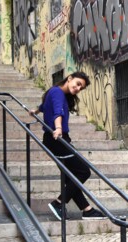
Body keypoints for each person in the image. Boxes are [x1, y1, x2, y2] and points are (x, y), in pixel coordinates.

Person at [30, 71, 106, 220]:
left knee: (70, 176)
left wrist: (36, 111)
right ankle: (59, 202)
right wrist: (58, 128)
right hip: (58, 139)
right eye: (78, 84)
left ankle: (87, 210)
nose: (78, 88)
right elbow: (58, 111)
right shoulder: (58, 92)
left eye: (81, 88)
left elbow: (45, 106)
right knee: (83, 171)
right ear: (69, 78)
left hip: (54, 139)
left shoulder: (55, 92)